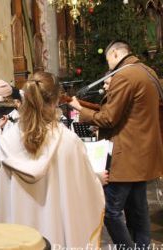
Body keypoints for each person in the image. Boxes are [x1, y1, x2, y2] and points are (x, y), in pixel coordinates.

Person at [0, 71, 105, 248]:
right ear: (57, 99)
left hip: (17, 240)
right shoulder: (69, 142)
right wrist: (97, 179)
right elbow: (84, 190)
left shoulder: (4, 142)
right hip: (57, 237)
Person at [70, 40, 163, 249]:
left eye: (108, 60)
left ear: (114, 55)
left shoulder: (124, 75)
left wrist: (80, 109)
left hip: (126, 153)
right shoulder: (148, 71)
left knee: (110, 209)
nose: (108, 66)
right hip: (144, 151)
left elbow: (109, 118)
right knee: (138, 209)